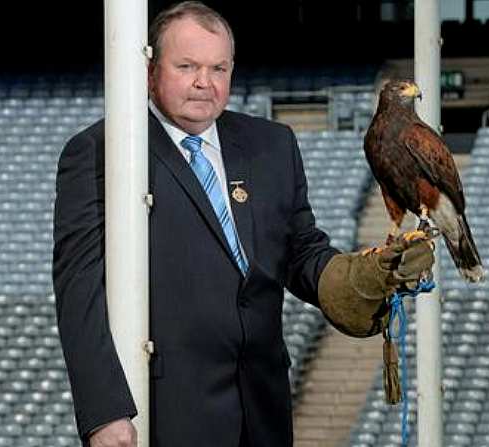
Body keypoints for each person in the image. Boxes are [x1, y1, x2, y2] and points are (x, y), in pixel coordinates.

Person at [52, 2, 435, 446]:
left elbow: (300, 250)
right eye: (187, 66)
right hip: (164, 409)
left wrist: (358, 276)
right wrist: (105, 413)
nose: (204, 82)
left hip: (263, 407)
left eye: (219, 68)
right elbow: (79, 289)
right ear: (149, 70)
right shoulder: (103, 151)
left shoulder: (272, 144)